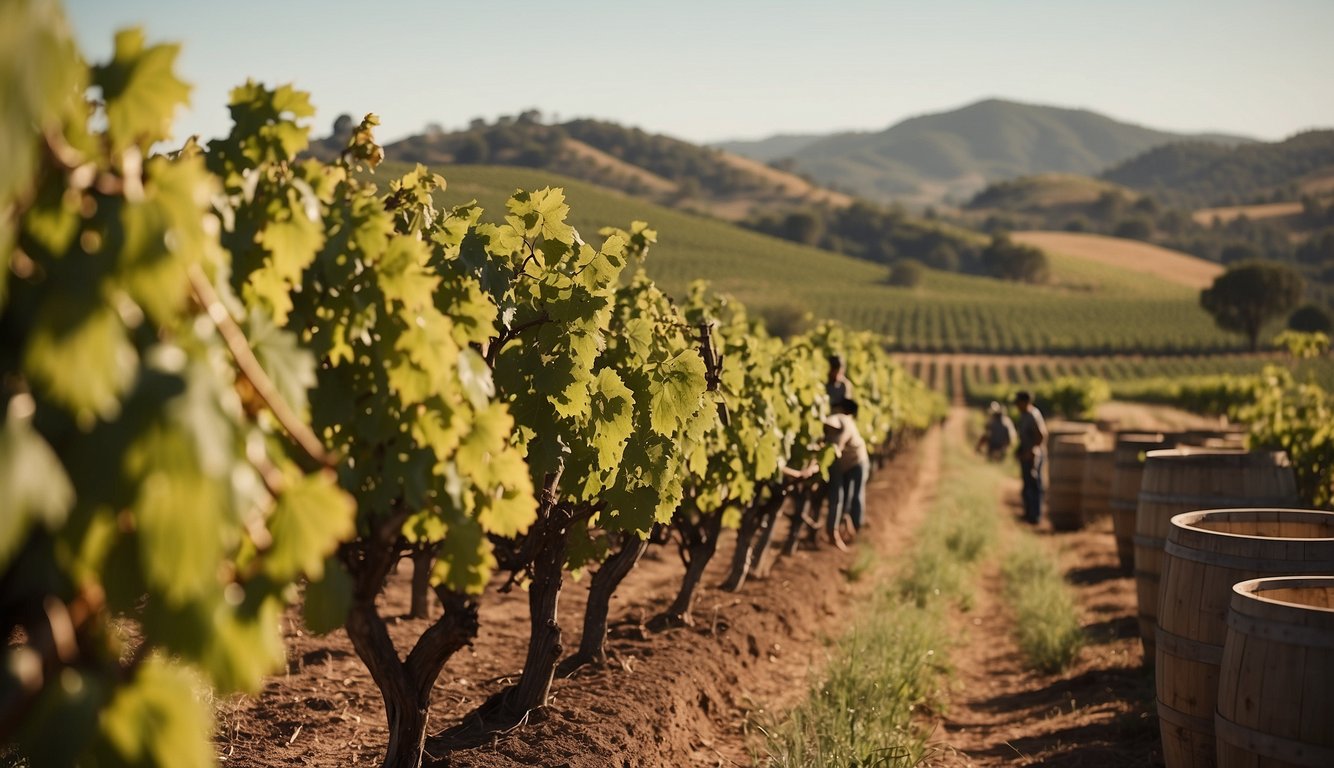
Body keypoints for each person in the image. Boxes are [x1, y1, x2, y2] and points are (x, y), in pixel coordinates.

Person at [822, 398, 870, 551]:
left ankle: (855, 529)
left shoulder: (844, 422)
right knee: (842, 497)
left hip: (857, 462)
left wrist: (831, 452)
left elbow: (839, 445)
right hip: (842, 464)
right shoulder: (832, 424)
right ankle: (838, 530)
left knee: (855, 496)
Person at [1013, 390, 1048, 525]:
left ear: (1025, 402)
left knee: (1034, 485)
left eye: (1019, 403)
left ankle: (1035, 516)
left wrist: (1031, 451)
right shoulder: (1024, 415)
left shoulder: (1033, 415)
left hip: (1034, 456)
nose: (1017, 406)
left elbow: (1041, 436)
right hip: (1026, 455)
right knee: (1027, 485)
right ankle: (1029, 514)